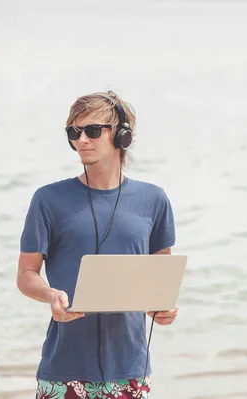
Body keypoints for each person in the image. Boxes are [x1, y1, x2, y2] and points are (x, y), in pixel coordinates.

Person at [17, 90, 178, 399]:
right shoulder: (48, 200)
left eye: (92, 130)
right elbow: (26, 274)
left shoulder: (154, 200)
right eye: (73, 133)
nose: (82, 141)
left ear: (121, 135)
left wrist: (163, 309)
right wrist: (50, 295)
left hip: (130, 371)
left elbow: (160, 282)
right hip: (64, 370)